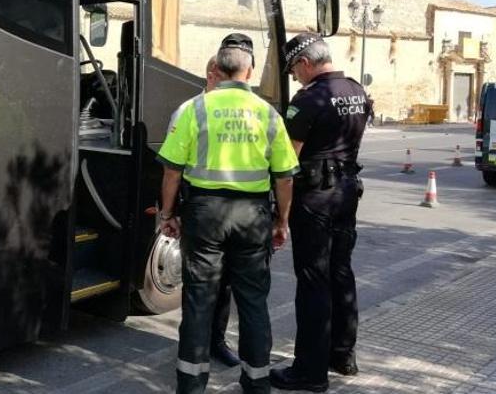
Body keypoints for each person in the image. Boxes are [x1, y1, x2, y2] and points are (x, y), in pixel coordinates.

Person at [158, 33, 299, 394]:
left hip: (204, 214)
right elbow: (284, 178)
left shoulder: (193, 109)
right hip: (253, 216)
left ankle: (190, 386)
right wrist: (282, 221)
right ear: (249, 71)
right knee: (253, 302)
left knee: (199, 301)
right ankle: (256, 384)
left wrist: (167, 214)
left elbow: (172, 171)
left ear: (217, 69)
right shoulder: (268, 114)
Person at [269, 33, 368, 392]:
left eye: (295, 68)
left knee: (313, 281)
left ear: (306, 63)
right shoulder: (356, 91)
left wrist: (280, 213)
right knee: (341, 271)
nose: (295, 76)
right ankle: (343, 354)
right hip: (347, 192)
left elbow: (287, 160)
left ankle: (309, 372)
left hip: (315, 199)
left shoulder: (309, 99)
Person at [167, 56, 241, 368]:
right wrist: (172, 212)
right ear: (210, 75)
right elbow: (175, 167)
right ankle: (192, 351)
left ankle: (216, 342)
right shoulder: (188, 110)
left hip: (233, 213)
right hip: (198, 209)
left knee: (223, 284)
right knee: (198, 287)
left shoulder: (240, 111)